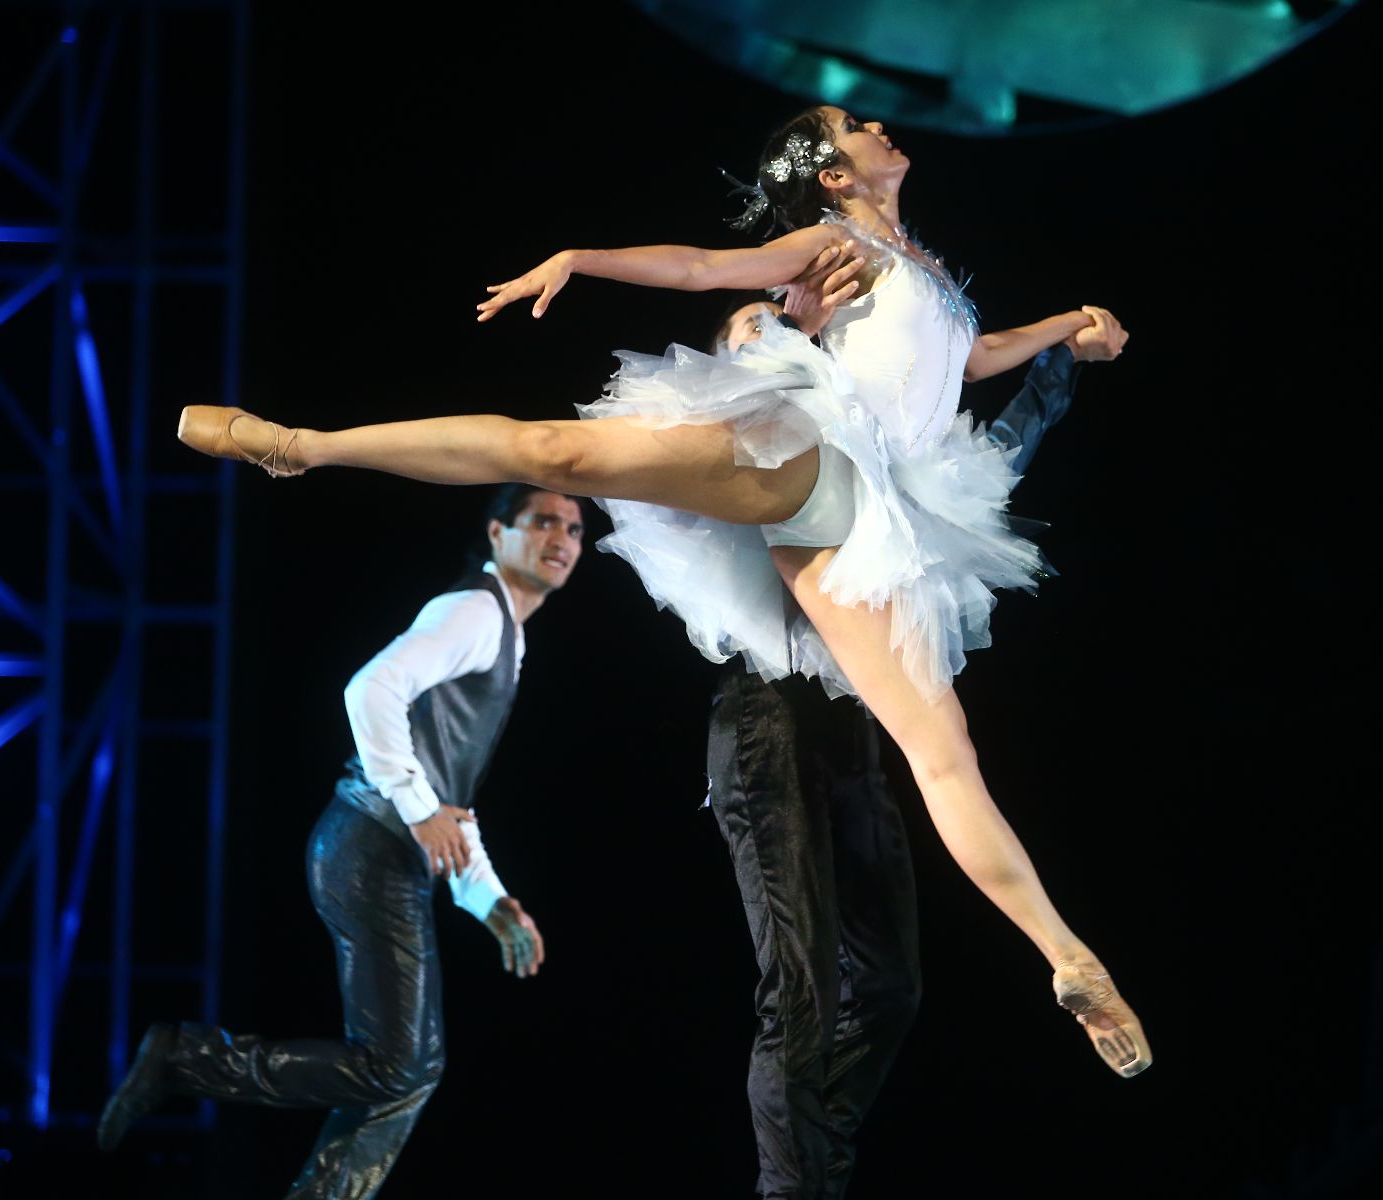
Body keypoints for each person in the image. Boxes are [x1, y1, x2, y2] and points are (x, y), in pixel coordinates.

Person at [174, 104, 1150, 1078]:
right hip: (811, 449)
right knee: (552, 451)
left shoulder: (931, 272)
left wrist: (1073, 326)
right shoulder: (830, 240)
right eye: (855, 124)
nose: (879, 122)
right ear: (836, 176)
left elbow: (975, 359)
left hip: (873, 515)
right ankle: (300, 446)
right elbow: (701, 267)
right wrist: (581, 257)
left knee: (943, 755)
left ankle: (1067, 956)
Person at [706, 264, 1128, 1198]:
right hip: (767, 719)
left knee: (891, 989)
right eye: (741, 329)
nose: (760, 330)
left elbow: (985, 464)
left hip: (858, 729)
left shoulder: (868, 440)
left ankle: (816, 1175)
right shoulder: (733, 443)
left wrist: (1064, 360)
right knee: (801, 993)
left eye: (763, 319)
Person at [96, 487, 583, 1198]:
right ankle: (188, 1060)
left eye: (573, 526)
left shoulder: (508, 632)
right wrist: (418, 809)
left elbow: (448, 799)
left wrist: (490, 899)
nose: (562, 536)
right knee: (405, 1066)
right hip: (369, 846)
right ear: (497, 532)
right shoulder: (477, 611)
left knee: (404, 1070)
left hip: (376, 850)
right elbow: (369, 689)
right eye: (543, 520)